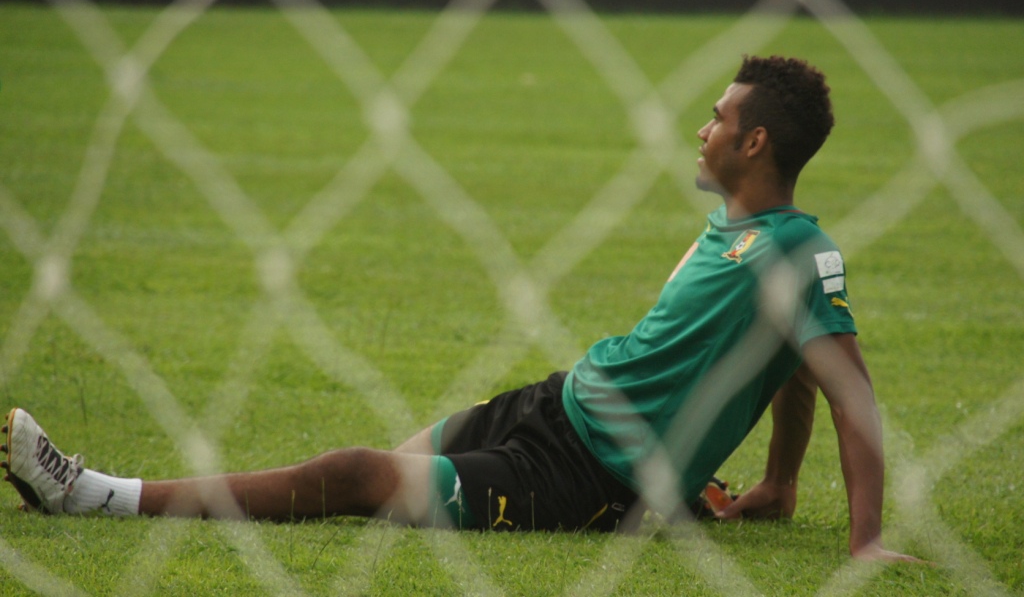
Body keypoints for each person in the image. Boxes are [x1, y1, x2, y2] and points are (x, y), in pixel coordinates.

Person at [2, 55, 919, 561]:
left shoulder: (802, 251)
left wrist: (867, 539)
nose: (702, 126)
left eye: (718, 116)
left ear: (754, 142)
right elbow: (791, 364)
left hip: (587, 479)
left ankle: (89, 493)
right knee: (376, 480)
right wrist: (780, 486)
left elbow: (846, 388)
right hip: (556, 401)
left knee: (356, 476)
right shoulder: (731, 229)